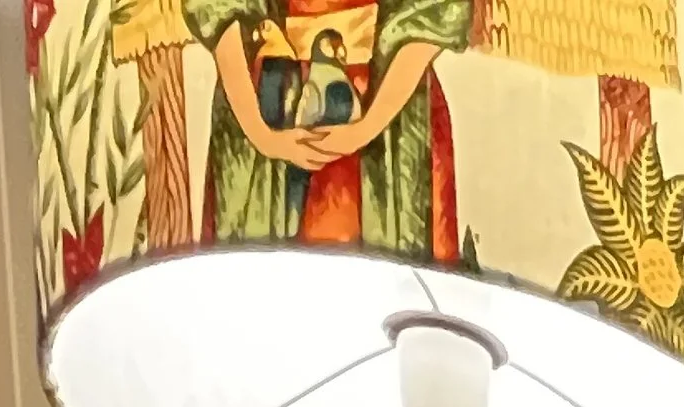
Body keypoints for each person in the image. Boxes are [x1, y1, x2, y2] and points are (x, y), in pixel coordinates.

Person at [181, 0, 471, 260]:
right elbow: (219, 10)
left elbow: (431, 13)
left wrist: (367, 127)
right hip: (267, 100)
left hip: (388, 105)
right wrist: (262, 135)